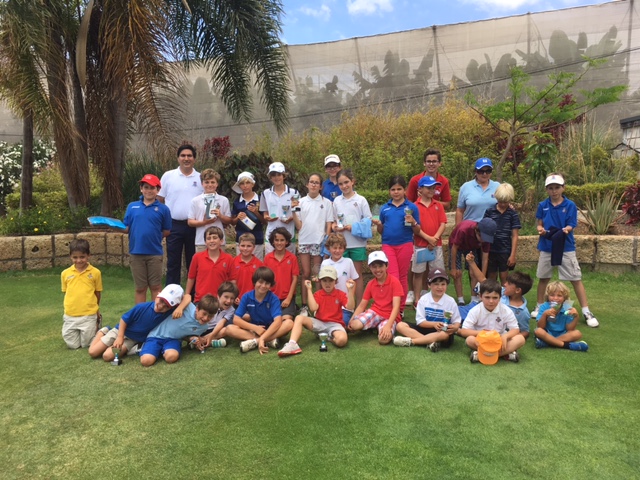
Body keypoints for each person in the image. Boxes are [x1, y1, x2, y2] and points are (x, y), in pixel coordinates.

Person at [531, 173, 599, 327]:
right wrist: (540, 229)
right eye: (550, 188)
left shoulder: (570, 205)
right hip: (547, 246)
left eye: (557, 187)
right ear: (546, 189)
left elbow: (571, 224)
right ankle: (540, 306)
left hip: (566, 247)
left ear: (563, 188)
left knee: (575, 278)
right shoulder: (543, 205)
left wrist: (566, 230)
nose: (554, 191)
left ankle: (586, 311)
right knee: (543, 277)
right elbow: (540, 223)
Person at [89, 284, 186, 361]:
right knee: (93, 352)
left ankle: (118, 348)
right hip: (120, 331)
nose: (161, 306)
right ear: (158, 295)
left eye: (166, 306)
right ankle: (103, 332)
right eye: (161, 301)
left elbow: (187, 297)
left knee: (107, 356)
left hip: (133, 339)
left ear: (172, 307)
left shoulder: (169, 312)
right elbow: (124, 319)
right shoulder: (142, 307)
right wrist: (120, 337)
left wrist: (180, 308)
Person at [278, 266, 356, 357]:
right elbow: (313, 308)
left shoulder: (340, 294)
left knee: (342, 341)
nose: (327, 284)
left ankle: (328, 337)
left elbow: (350, 307)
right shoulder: (318, 294)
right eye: (324, 280)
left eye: (331, 280)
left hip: (335, 324)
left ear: (336, 281)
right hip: (319, 322)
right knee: (299, 318)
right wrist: (309, 290)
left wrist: (350, 291)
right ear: (320, 281)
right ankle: (292, 344)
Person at [158, 144, 203, 285]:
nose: (186, 158)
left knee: (193, 261)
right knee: (173, 262)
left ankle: (193, 294)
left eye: (189, 156)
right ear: (178, 158)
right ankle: (172, 294)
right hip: (173, 225)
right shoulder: (168, 176)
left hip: (194, 226)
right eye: (183, 156)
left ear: (194, 159)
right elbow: (160, 199)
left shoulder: (201, 178)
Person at [123, 174, 172, 303]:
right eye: (146, 187)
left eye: (152, 188)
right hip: (136, 252)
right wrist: (109, 225)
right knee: (140, 288)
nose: (149, 191)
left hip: (154, 253)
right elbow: (126, 228)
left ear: (158, 190)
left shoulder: (163, 209)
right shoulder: (132, 207)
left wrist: (153, 237)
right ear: (141, 189)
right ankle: (141, 313)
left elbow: (167, 230)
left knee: (156, 287)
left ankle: (155, 313)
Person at [373, 175, 420, 307]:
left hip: (405, 244)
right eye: (393, 189)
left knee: (403, 276)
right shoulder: (385, 208)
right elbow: (381, 230)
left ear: (404, 190)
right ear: (389, 191)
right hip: (388, 245)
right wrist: (379, 225)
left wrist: (413, 222)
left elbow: (417, 231)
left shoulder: (411, 207)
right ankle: (392, 305)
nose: (396, 192)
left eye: (399, 189)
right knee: (393, 276)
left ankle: (400, 308)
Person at [463, 252, 533, 340]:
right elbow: (483, 280)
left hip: (497, 330)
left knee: (519, 339)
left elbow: (525, 331)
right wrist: (472, 263)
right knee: (459, 324)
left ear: (517, 290)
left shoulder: (523, 312)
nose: (505, 284)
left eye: (508, 283)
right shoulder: (501, 291)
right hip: (477, 313)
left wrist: (508, 338)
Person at [292, 172, 334, 316]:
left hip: (319, 242)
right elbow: (299, 225)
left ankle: (317, 304)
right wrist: (292, 212)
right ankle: (304, 305)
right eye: (311, 182)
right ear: (307, 184)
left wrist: (326, 241)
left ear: (321, 186)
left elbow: (329, 223)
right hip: (304, 241)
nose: (314, 185)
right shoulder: (300, 202)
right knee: (306, 273)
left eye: (317, 182)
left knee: (317, 274)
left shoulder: (326, 203)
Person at [226, 266, 293, 354]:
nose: (263, 286)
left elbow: (277, 321)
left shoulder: (274, 298)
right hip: (254, 330)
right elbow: (236, 319)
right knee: (229, 329)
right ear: (255, 282)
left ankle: (257, 341)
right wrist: (255, 328)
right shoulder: (246, 297)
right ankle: (270, 340)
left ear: (270, 285)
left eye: (267, 283)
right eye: (260, 282)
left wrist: (262, 338)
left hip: (271, 329)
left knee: (289, 323)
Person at [139, 294, 219, 366]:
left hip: (173, 340)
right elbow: (187, 296)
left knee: (171, 357)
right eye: (204, 314)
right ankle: (143, 347)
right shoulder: (188, 307)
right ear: (197, 309)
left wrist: (192, 339)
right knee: (146, 361)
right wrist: (180, 308)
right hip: (156, 335)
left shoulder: (204, 327)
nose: (206, 318)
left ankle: (159, 350)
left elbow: (186, 336)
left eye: (210, 316)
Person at [393, 268, 461, 351]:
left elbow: (456, 321)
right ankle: (429, 342)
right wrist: (434, 324)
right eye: (436, 284)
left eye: (443, 284)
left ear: (447, 285)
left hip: (441, 331)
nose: (440, 287)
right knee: (400, 325)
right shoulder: (423, 299)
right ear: (429, 285)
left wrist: (455, 327)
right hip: (425, 329)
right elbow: (420, 322)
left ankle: (412, 341)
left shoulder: (450, 301)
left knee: (444, 335)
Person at [458, 280, 526, 363]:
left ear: (500, 298)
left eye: (495, 298)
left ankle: (481, 355)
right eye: (487, 297)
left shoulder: (505, 310)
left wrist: (505, 336)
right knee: (469, 340)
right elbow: (464, 331)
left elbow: (515, 329)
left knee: (520, 339)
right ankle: (505, 354)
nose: (491, 301)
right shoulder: (475, 310)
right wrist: (482, 333)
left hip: (499, 340)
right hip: (482, 340)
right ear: (480, 296)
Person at [332, 168, 372, 303]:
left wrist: (353, 227)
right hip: (341, 244)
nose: (344, 186)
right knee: (341, 275)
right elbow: (333, 221)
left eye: (346, 182)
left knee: (357, 275)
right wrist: (335, 227)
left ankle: (359, 304)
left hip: (357, 243)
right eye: (341, 184)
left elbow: (368, 220)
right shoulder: (337, 201)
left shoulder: (361, 200)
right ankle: (343, 303)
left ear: (352, 181)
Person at [348, 251, 403, 345]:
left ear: (386, 266)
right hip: (375, 312)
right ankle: (374, 325)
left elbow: (396, 307)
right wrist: (351, 320)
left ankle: (376, 326)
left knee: (383, 340)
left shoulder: (395, 282)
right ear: (370, 268)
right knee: (354, 325)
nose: (377, 270)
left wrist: (388, 325)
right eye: (374, 267)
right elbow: (362, 305)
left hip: (389, 316)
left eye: (380, 266)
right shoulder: (371, 284)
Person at [410, 175, 447, 305]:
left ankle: (437, 298)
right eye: (429, 187)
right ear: (420, 189)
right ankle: (417, 300)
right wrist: (428, 239)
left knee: (437, 273)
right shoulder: (414, 206)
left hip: (436, 245)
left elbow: (443, 223)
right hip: (420, 245)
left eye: (433, 187)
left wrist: (434, 239)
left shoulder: (438, 205)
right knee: (418, 273)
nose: (432, 190)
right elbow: (413, 227)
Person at [60, 239, 103, 349]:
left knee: (86, 344)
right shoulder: (65, 273)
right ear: (70, 256)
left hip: (88, 314)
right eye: (75, 257)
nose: (79, 260)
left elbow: (97, 293)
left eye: (82, 257)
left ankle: (100, 330)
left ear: (88, 255)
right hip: (70, 314)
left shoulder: (95, 273)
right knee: (72, 345)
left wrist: (96, 310)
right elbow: (66, 292)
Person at [449, 217, 496, 305]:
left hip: (471, 247)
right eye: (481, 238)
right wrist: (453, 268)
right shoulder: (464, 230)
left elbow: (485, 258)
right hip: (457, 246)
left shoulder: (486, 240)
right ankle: (460, 300)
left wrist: (482, 278)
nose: (483, 241)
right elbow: (454, 248)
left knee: (474, 272)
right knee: (458, 273)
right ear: (477, 231)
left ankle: (473, 299)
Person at [482, 183, 521, 284]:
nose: (503, 204)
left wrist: (513, 255)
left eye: (505, 202)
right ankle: (492, 293)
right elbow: (484, 230)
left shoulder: (512, 214)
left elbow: (515, 235)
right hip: (491, 249)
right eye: (500, 201)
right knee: (491, 276)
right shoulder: (490, 211)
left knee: (504, 277)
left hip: (505, 250)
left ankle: (505, 294)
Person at [534, 281, 589, 351]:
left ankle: (547, 343)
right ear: (548, 296)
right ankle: (568, 346)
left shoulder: (567, 308)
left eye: (559, 296)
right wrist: (545, 314)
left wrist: (576, 317)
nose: (555, 298)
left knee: (577, 333)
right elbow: (540, 326)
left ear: (564, 298)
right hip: (547, 332)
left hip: (563, 334)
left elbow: (570, 329)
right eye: (552, 295)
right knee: (538, 331)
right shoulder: (544, 306)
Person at [185, 226, 233, 302]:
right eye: (208, 238)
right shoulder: (197, 257)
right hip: (201, 300)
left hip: (220, 301)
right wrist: (186, 295)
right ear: (205, 242)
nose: (211, 241)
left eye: (215, 238)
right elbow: (191, 278)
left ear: (221, 241)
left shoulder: (228, 258)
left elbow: (232, 280)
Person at [188, 169, 232, 252]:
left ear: (217, 184)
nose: (210, 185)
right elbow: (190, 222)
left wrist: (220, 216)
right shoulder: (196, 200)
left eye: (212, 182)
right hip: (201, 241)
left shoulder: (223, 200)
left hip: (219, 241)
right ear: (202, 184)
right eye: (207, 182)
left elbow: (229, 220)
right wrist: (204, 222)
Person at [259, 162, 298, 255]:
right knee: (270, 262)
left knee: (289, 262)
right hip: (271, 235)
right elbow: (265, 212)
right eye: (273, 175)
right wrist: (267, 217)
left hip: (289, 234)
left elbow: (298, 212)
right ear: (270, 177)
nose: (276, 177)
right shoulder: (265, 193)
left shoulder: (294, 192)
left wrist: (290, 218)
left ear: (284, 175)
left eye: (279, 174)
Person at [320, 233, 359, 324]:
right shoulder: (325, 263)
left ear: (344, 249)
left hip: (344, 306)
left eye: (340, 248)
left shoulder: (348, 262)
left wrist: (350, 299)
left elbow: (354, 281)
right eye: (334, 248)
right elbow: (322, 283)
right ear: (329, 249)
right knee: (322, 320)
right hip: (329, 303)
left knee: (342, 321)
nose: (337, 251)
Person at [263, 227, 299, 324]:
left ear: (287, 241)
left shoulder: (292, 258)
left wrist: (289, 298)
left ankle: (274, 332)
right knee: (269, 318)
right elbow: (264, 279)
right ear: (273, 242)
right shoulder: (267, 258)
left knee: (286, 319)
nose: (279, 243)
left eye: (282, 240)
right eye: (277, 240)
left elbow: (295, 279)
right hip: (271, 297)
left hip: (286, 297)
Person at [189, 282, 239, 351]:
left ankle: (203, 341)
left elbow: (222, 323)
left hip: (214, 330)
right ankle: (209, 342)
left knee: (225, 330)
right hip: (201, 328)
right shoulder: (212, 304)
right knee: (193, 336)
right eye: (226, 297)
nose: (228, 301)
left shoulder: (231, 309)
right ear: (218, 296)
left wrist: (211, 335)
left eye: (232, 298)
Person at [231, 171, 266, 260]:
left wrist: (256, 213)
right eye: (242, 183)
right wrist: (238, 217)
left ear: (252, 184)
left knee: (257, 264)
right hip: (241, 239)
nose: (245, 186)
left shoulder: (260, 200)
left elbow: (264, 221)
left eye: (248, 183)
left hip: (257, 238)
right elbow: (233, 222)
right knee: (241, 263)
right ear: (239, 186)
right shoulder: (237, 202)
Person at [456, 157, 499, 223]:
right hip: (470, 226)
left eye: (488, 171)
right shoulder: (466, 187)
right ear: (476, 172)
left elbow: (504, 206)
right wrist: (458, 228)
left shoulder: (498, 186)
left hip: (492, 226)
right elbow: (460, 211)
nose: (484, 174)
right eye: (481, 171)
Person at [230, 233, 264, 299]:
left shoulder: (259, 264)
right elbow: (231, 282)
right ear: (238, 246)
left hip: (253, 299)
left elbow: (261, 284)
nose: (245, 248)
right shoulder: (232, 262)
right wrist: (234, 296)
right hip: (236, 299)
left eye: (249, 246)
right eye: (243, 246)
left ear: (254, 247)